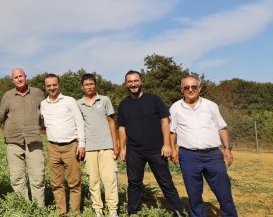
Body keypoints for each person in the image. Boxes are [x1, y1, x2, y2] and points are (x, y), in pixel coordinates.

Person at [117, 70, 184, 216]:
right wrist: (122, 148)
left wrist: (167, 144)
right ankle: (133, 212)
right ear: (126, 84)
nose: (133, 84)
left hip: (156, 149)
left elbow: (165, 121)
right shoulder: (123, 104)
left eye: (136, 81)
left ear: (142, 82)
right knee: (134, 184)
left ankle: (179, 212)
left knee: (166, 183)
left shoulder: (154, 99)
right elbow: (121, 128)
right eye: (130, 82)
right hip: (134, 151)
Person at [170, 75, 238, 217]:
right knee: (194, 196)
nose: (190, 90)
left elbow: (222, 128)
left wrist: (227, 149)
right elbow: (172, 131)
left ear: (199, 88)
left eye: (194, 87)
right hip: (188, 156)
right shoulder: (175, 108)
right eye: (186, 87)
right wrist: (173, 149)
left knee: (224, 193)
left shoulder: (211, 106)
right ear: (181, 89)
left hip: (213, 155)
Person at [0, 68, 46, 207]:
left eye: (20, 76)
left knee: (38, 177)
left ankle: (39, 209)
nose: (19, 79)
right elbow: (1, 115)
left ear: (25, 76)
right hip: (13, 141)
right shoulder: (8, 96)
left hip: (34, 140)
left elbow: (46, 112)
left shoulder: (37, 93)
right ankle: (25, 208)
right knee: (17, 178)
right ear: (12, 80)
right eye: (15, 77)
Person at [40, 73, 85, 216]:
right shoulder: (43, 104)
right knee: (56, 184)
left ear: (59, 85)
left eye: (54, 85)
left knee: (74, 183)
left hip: (71, 145)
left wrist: (81, 144)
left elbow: (79, 122)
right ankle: (61, 213)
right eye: (49, 85)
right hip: (52, 146)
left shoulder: (69, 101)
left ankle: (75, 212)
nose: (52, 88)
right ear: (46, 87)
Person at [77, 73, 119, 217]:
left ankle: (113, 210)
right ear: (82, 87)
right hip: (89, 148)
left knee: (110, 179)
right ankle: (98, 210)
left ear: (95, 85)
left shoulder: (105, 100)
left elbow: (112, 123)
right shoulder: (78, 104)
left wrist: (116, 145)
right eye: (86, 84)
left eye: (91, 84)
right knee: (93, 180)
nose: (89, 87)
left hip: (107, 146)